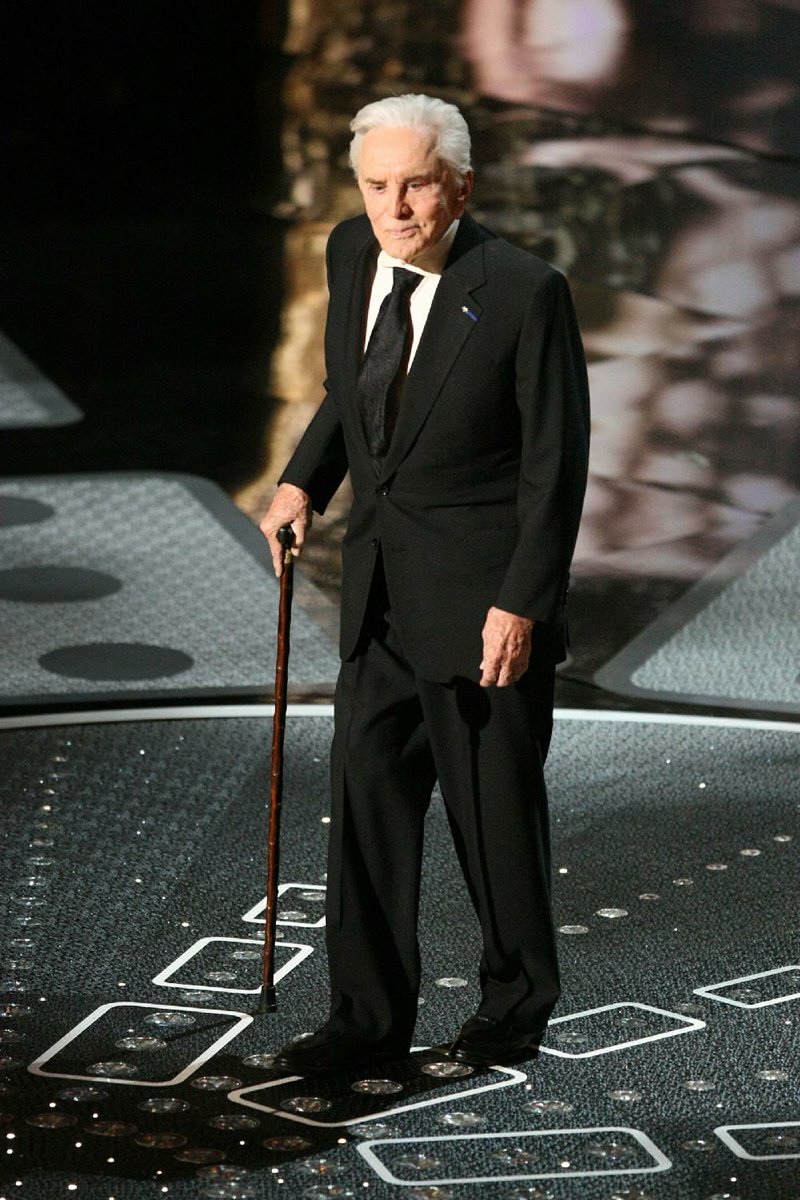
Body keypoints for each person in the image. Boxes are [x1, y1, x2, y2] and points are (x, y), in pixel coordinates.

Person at [259, 93, 590, 1074]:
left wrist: (521, 601)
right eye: (374, 185)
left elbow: (553, 464)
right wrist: (298, 479)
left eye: (413, 185)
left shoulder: (524, 291)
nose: (392, 206)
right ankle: (364, 1019)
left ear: (459, 184)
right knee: (366, 811)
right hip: (380, 597)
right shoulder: (349, 252)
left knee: (492, 821)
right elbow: (349, 388)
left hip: (485, 606)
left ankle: (512, 1008)